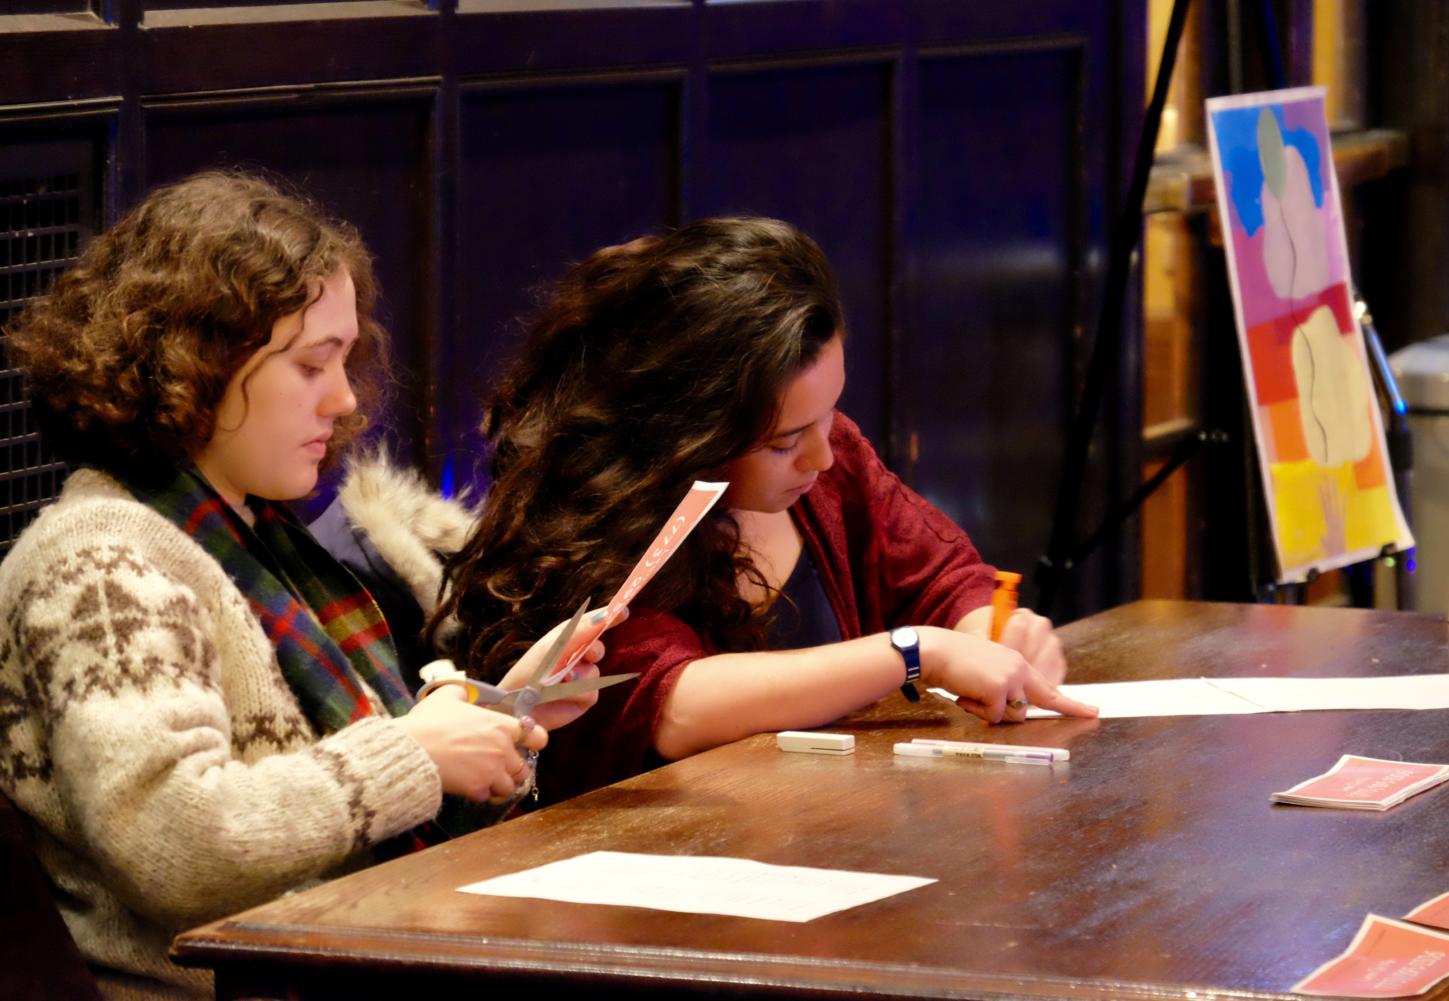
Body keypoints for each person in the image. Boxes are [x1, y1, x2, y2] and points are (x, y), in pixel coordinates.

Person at [0, 170, 600, 1000]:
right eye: (313, 363)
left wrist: (498, 715)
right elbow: (175, 842)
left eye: (346, 360)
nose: (346, 396)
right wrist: (414, 751)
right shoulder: (101, 557)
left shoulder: (258, 540)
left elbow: (362, 832)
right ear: (193, 363)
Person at [437, 216, 1098, 807]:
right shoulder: (599, 518)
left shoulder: (828, 461)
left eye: (829, 412)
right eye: (784, 441)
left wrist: (990, 627)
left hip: (828, 838)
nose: (822, 457)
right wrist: (913, 652)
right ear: (691, 433)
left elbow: (941, 578)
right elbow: (671, 704)